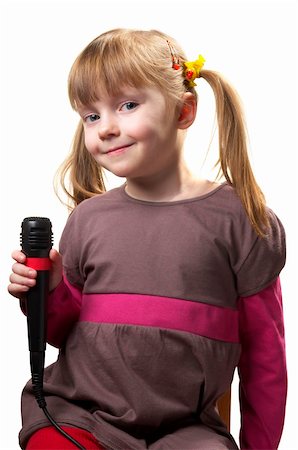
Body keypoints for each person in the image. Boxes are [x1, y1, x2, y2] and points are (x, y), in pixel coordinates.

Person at [8, 28, 287, 450]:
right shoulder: (88, 219)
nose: (105, 128)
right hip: (81, 415)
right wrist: (46, 290)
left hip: (186, 429)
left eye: (128, 105)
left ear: (184, 111)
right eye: (91, 115)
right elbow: (66, 330)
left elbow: (265, 357)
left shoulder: (241, 220)